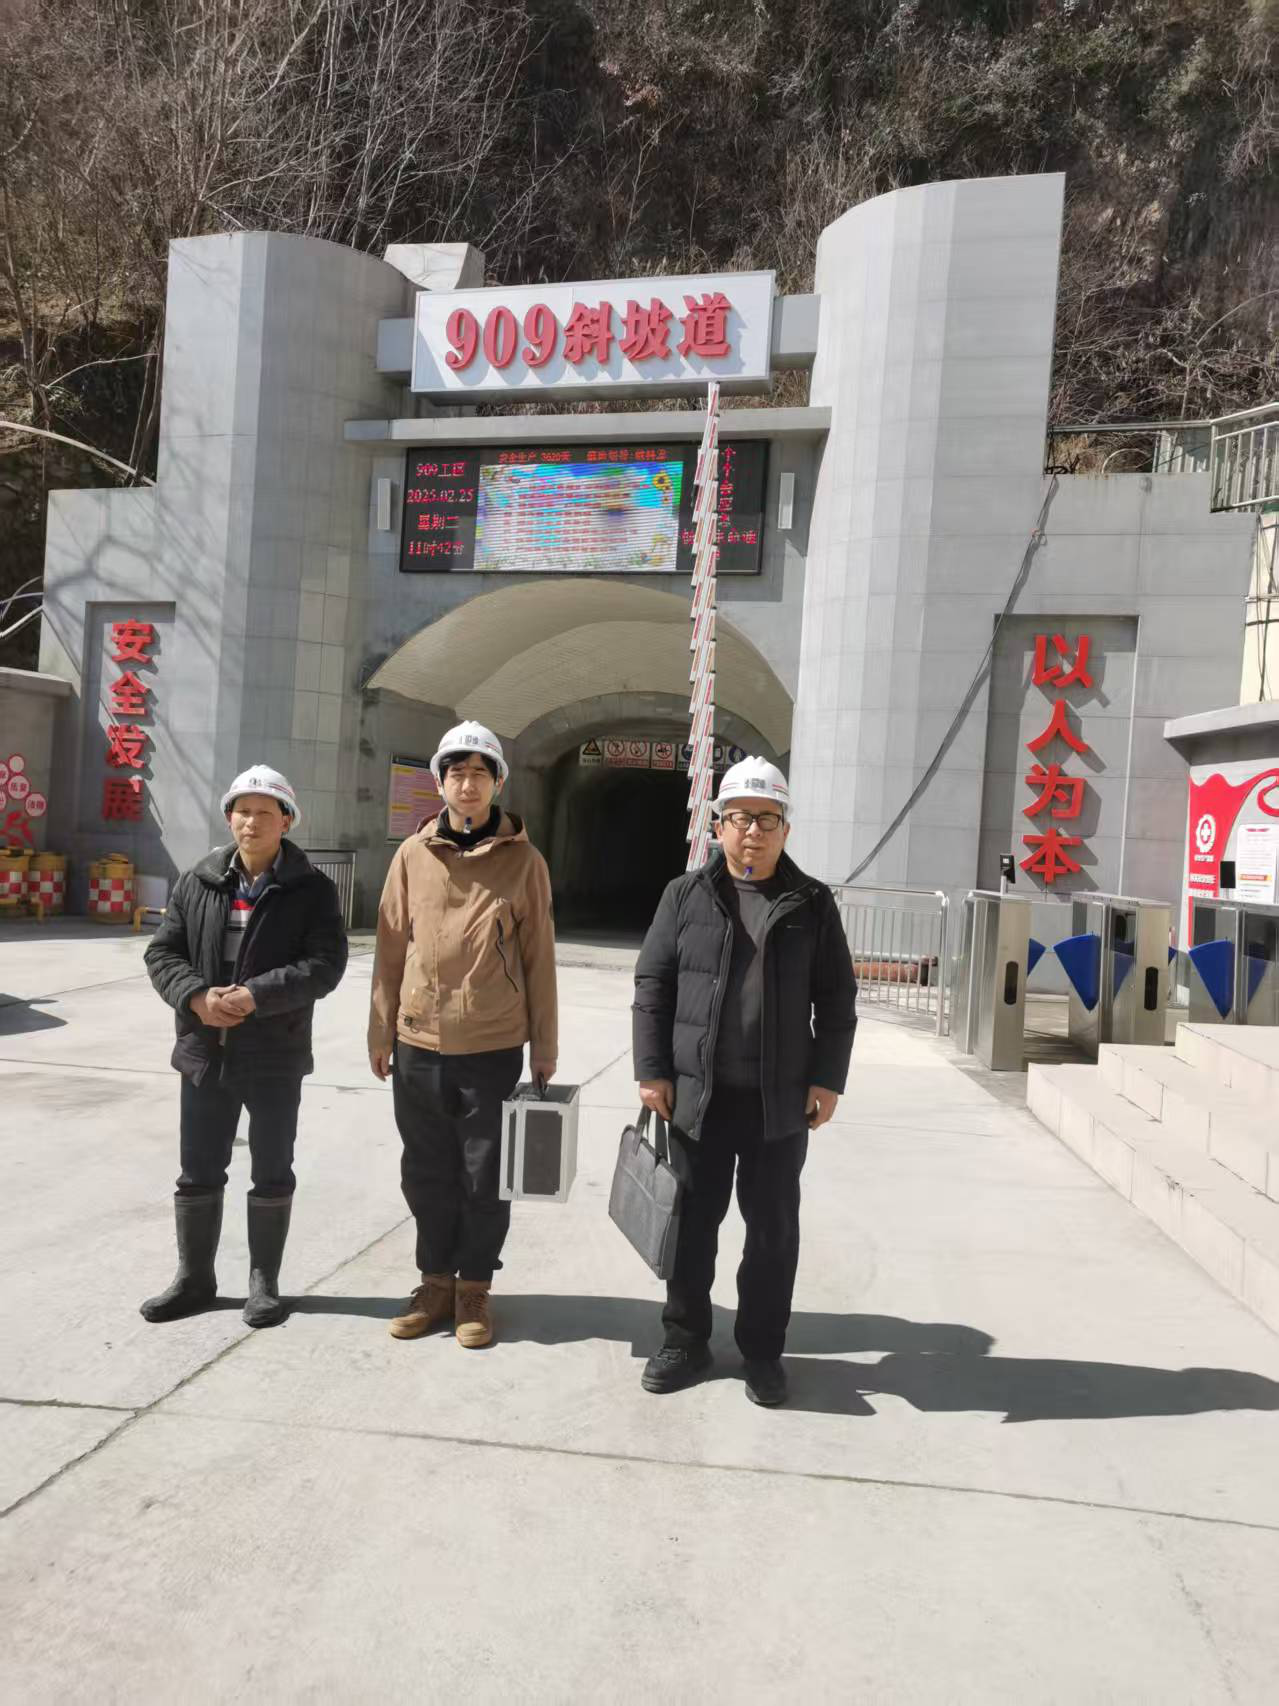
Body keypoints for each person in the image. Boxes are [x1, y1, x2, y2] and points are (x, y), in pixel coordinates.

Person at [632, 757, 857, 1407]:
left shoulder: (812, 903)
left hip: (777, 1103)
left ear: (785, 828)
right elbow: (653, 986)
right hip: (697, 1097)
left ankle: (761, 1352)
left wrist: (827, 1079)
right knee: (690, 1226)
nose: (752, 831)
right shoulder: (684, 896)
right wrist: (651, 1070)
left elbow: (836, 999)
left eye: (766, 819)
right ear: (717, 826)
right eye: (739, 818)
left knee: (772, 1234)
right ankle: (684, 1339)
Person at [369, 720, 557, 1350]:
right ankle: (434, 1283)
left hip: (492, 1046)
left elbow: (539, 959)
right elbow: (390, 949)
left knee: (484, 1175)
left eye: (479, 773)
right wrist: (380, 1031)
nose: (467, 784)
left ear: (498, 783)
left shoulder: (524, 863)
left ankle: (474, 1287)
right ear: (440, 784)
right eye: (456, 772)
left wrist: (545, 1047)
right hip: (417, 1043)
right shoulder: (411, 856)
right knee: (425, 1172)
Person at [141, 765, 348, 1327]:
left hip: (275, 1053)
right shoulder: (199, 880)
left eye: (264, 812)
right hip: (204, 1050)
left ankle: (263, 1283)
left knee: (272, 1167)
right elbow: (162, 952)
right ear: (229, 818)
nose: (251, 822)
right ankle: (194, 1279)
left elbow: (324, 965)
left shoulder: (311, 890)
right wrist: (197, 997)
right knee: (198, 1170)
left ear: (286, 820)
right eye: (242, 811)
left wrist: (256, 996)